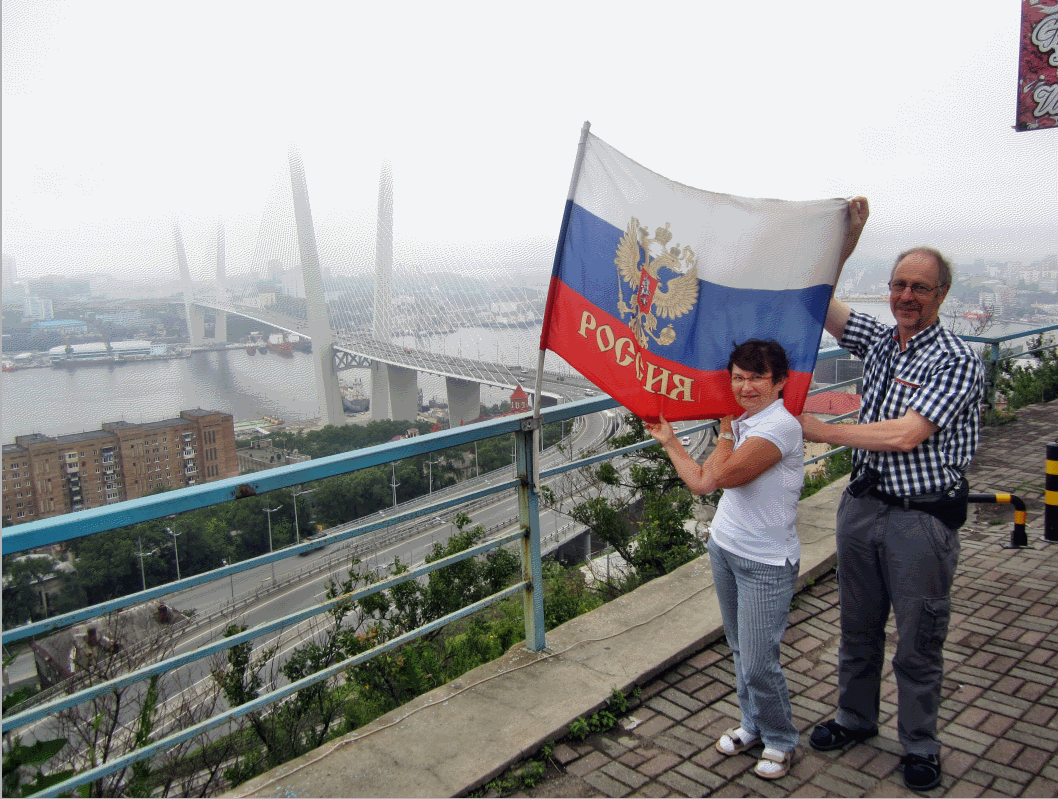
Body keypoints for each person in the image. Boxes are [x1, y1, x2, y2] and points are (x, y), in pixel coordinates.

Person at [798, 197, 985, 793]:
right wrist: (849, 239)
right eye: (899, 285)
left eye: (920, 288)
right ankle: (854, 718)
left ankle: (920, 744)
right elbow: (818, 301)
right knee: (857, 627)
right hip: (863, 506)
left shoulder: (957, 360)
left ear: (941, 295)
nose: (907, 296)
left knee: (918, 640)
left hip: (919, 520)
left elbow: (906, 434)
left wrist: (825, 431)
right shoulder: (881, 341)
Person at [645, 339, 804, 781]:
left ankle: (780, 739)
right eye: (737, 378)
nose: (745, 387)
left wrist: (727, 429)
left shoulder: (780, 427)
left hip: (766, 563)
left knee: (759, 661)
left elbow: (723, 477)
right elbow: (701, 480)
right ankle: (753, 725)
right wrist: (670, 441)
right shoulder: (745, 422)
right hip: (725, 547)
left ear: (780, 382)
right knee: (739, 650)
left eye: (757, 378)